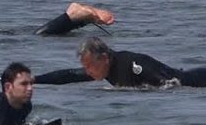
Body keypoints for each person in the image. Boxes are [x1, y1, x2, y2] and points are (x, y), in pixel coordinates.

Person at [35, 37, 206, 88]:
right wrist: (35, 80)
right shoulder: (103, 69)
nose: (87, 71)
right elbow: (68, 76)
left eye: (90, 66)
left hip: (197, 80)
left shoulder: (133, 64)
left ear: (103, 58)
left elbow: (171, 84)